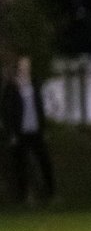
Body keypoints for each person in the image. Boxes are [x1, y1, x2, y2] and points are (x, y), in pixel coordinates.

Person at [1, 56, 56, 206]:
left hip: (36, 131)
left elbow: (40, 107)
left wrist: (44, 128)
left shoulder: (35, 83)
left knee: (44, 161)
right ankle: (23, 196)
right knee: (21, 164)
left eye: (27, 66)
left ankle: (51, 193)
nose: (25, 68)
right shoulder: (12, 87)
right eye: (23, 66)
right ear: (19, 68)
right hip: (20, 132)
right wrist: (11, 132)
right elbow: (7, 111)